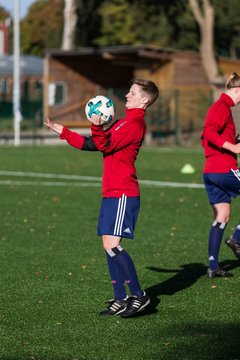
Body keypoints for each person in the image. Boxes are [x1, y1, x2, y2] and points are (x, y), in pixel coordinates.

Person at [45, 79, 159, 316]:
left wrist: (96, 127)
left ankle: (139, 296)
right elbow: (94, 144)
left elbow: (104, 144)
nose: (127, 95)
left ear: (144, 100)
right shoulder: (122, 122)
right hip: (111, 192)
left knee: (113, 246)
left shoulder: (135, 124)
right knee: (108, 246)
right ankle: (120, 299)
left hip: (123, 192)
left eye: (133, 92)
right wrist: (64, 132)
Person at [201, 72, 240, 279]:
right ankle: (237, 239)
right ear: (237, 90)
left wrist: (233, 140)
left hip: (211, 171)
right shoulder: (222, 107)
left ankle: (213, 266)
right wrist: (233, 147)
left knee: (222, 216)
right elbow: (209, 132)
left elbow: (210, 136)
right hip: (223, 168)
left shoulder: (222, 107)